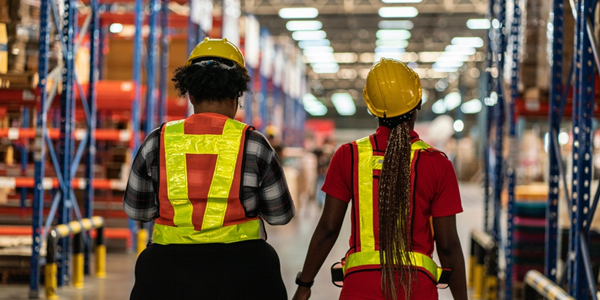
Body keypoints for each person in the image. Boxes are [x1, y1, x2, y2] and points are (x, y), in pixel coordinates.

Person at [123, 38, 295, 300]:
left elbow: (138, 210)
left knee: (147, 264)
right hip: (243, 271)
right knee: (267, 261)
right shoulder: (255, 143)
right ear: (236, 95)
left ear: (190, 94)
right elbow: (280, 215)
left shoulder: (157, 140)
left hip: (167, 273)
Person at [291, 58, 467, 300]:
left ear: (372, 108)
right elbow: (447, 245)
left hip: (358, 290)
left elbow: (328, 229)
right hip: (416, 291)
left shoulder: (348, 156)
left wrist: (305, 284)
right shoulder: (437, 163)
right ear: (416, 104)